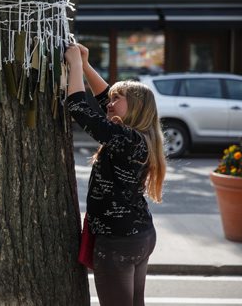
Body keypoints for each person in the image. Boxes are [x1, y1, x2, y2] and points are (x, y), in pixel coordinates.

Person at [64, 43, 166, 306]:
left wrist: (74, 64)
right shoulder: (140, 137)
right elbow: (103, 99)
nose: (109, 102)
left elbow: (78, 108)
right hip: (138, 234)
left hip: (118, 241)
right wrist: (85, 66)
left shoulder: (127, 139)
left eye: (117, 99)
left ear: (135, 107)